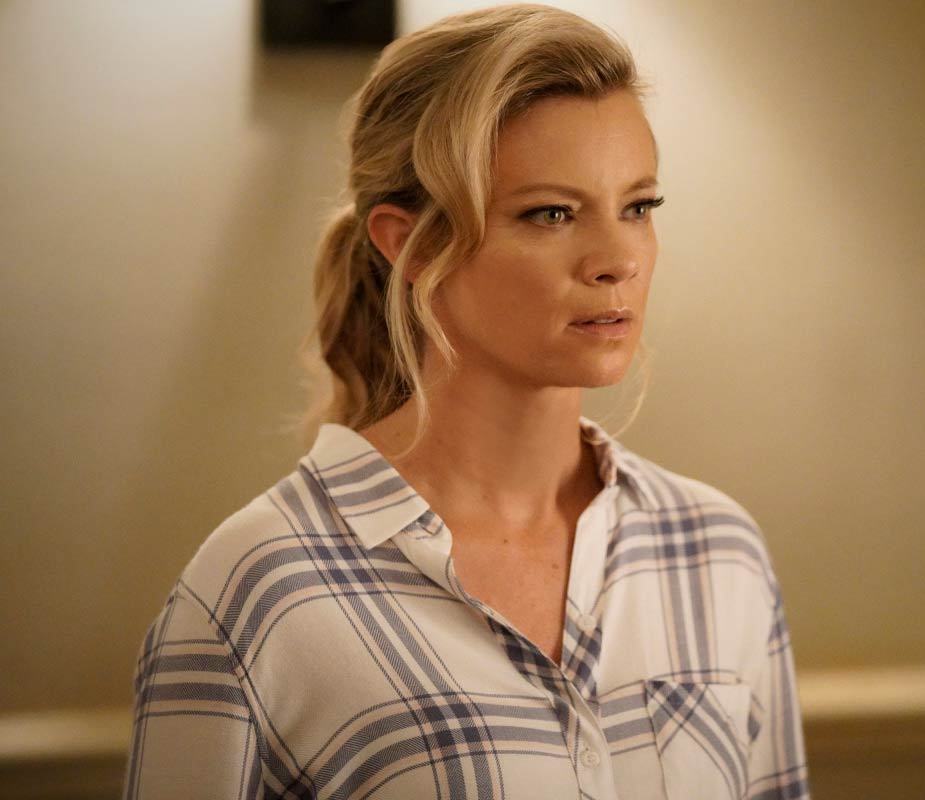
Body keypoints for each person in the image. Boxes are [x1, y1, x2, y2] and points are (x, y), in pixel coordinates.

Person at [121, 4, 811, 799]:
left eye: (639, 207)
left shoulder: (717, 550)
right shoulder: (258, 592)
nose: (617, 259)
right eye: (551, 213)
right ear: (408, 243)